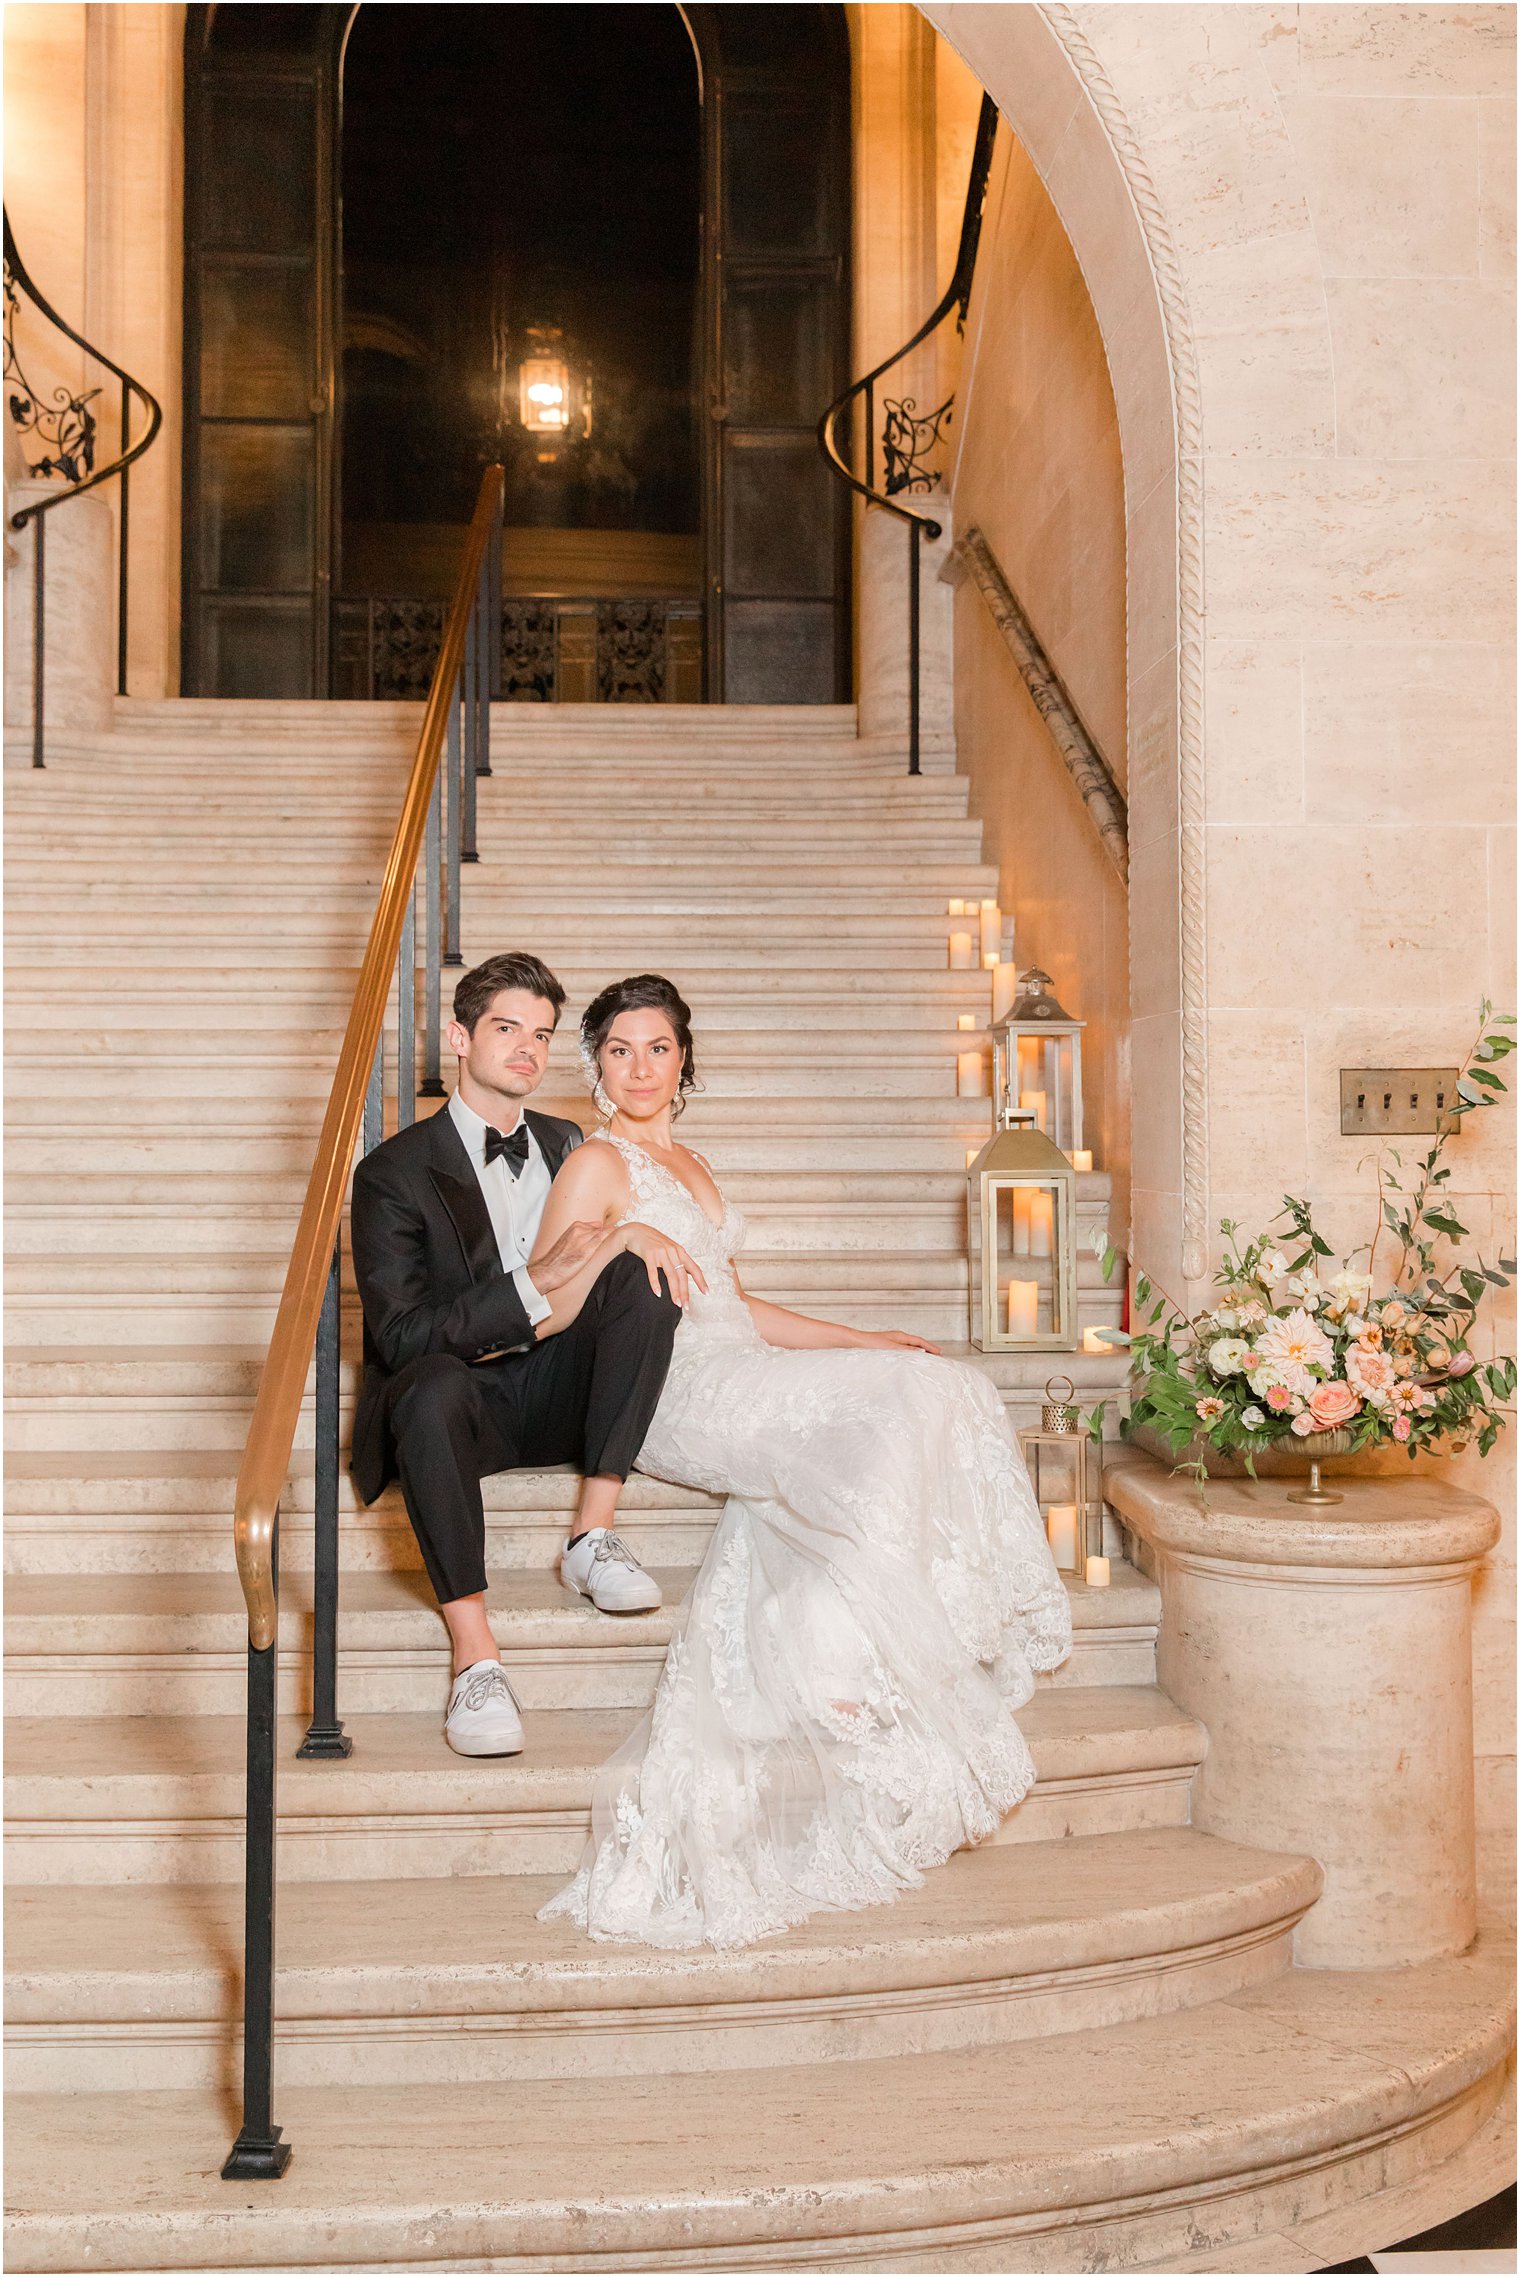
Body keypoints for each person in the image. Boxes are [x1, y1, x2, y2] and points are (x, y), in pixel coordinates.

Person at [533, 972, 1074, 1950]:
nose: (639, 1067)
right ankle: (826, 1642)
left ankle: (827, 1614)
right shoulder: (594, 1165)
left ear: (684, 1058)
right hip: (670, 1392)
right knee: (908, 1405)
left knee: (936, 1384)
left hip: (740, 1361)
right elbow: (549, 1309)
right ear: (595, 1063)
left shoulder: (693, 1161)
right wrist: (620, 1236)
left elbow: (738, 1307)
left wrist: (857, 1335)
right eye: (619, 1050)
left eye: (657, 1047)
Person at [349, 952, 707, 1758]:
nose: (526, 1049)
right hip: (458, 1407)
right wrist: (532, 1280)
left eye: (541, 1034)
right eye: (506, 1028)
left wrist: (621, 1240)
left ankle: (591, 1536)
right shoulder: (391, 1173)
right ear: (459, 1036)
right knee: (431, 1386)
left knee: (642, 1272)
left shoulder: (568, 1140)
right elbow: (400, 1337)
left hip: (553, 1390)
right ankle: (476, 1655)